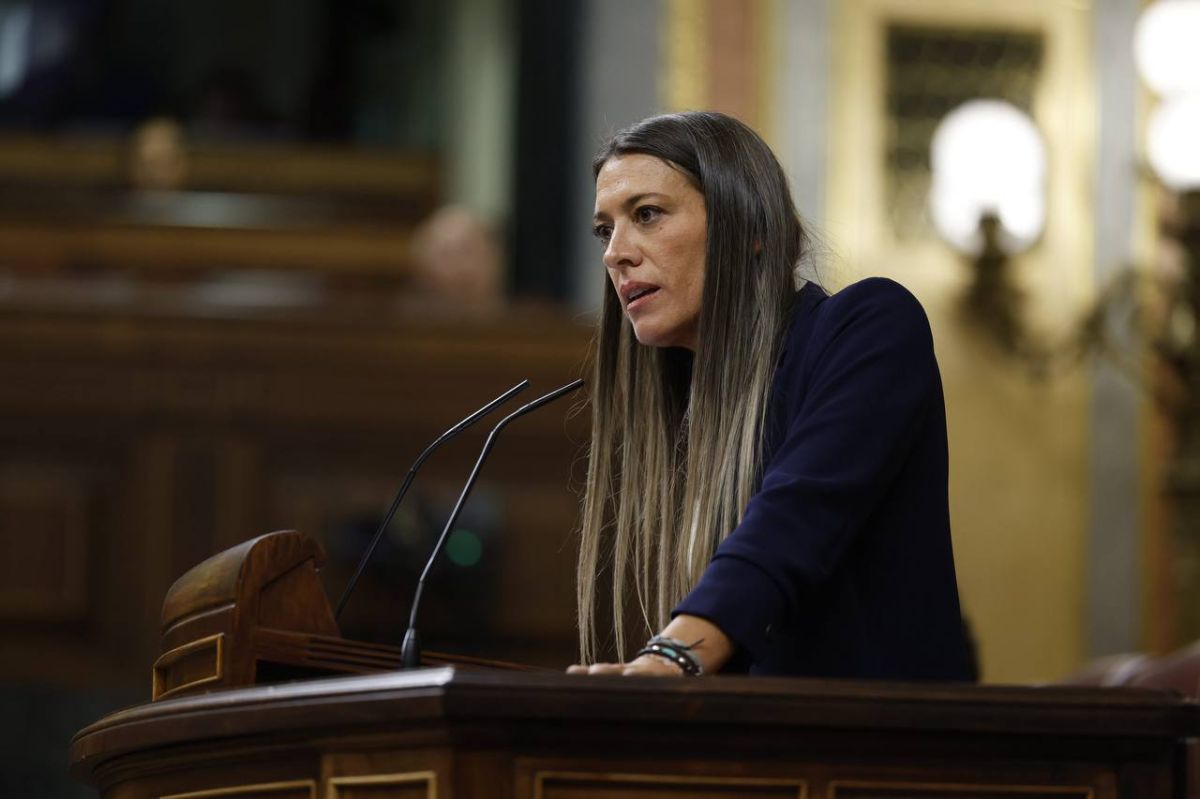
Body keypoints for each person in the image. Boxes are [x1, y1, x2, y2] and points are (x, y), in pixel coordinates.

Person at [566, 111, 973, 680]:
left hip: (880, 732)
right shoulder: (687, 401)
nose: (615, 253)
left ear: (751, 227)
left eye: (647, 214)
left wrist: (671, 658)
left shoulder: (871, 328)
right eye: (605, 231)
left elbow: (793, 522)